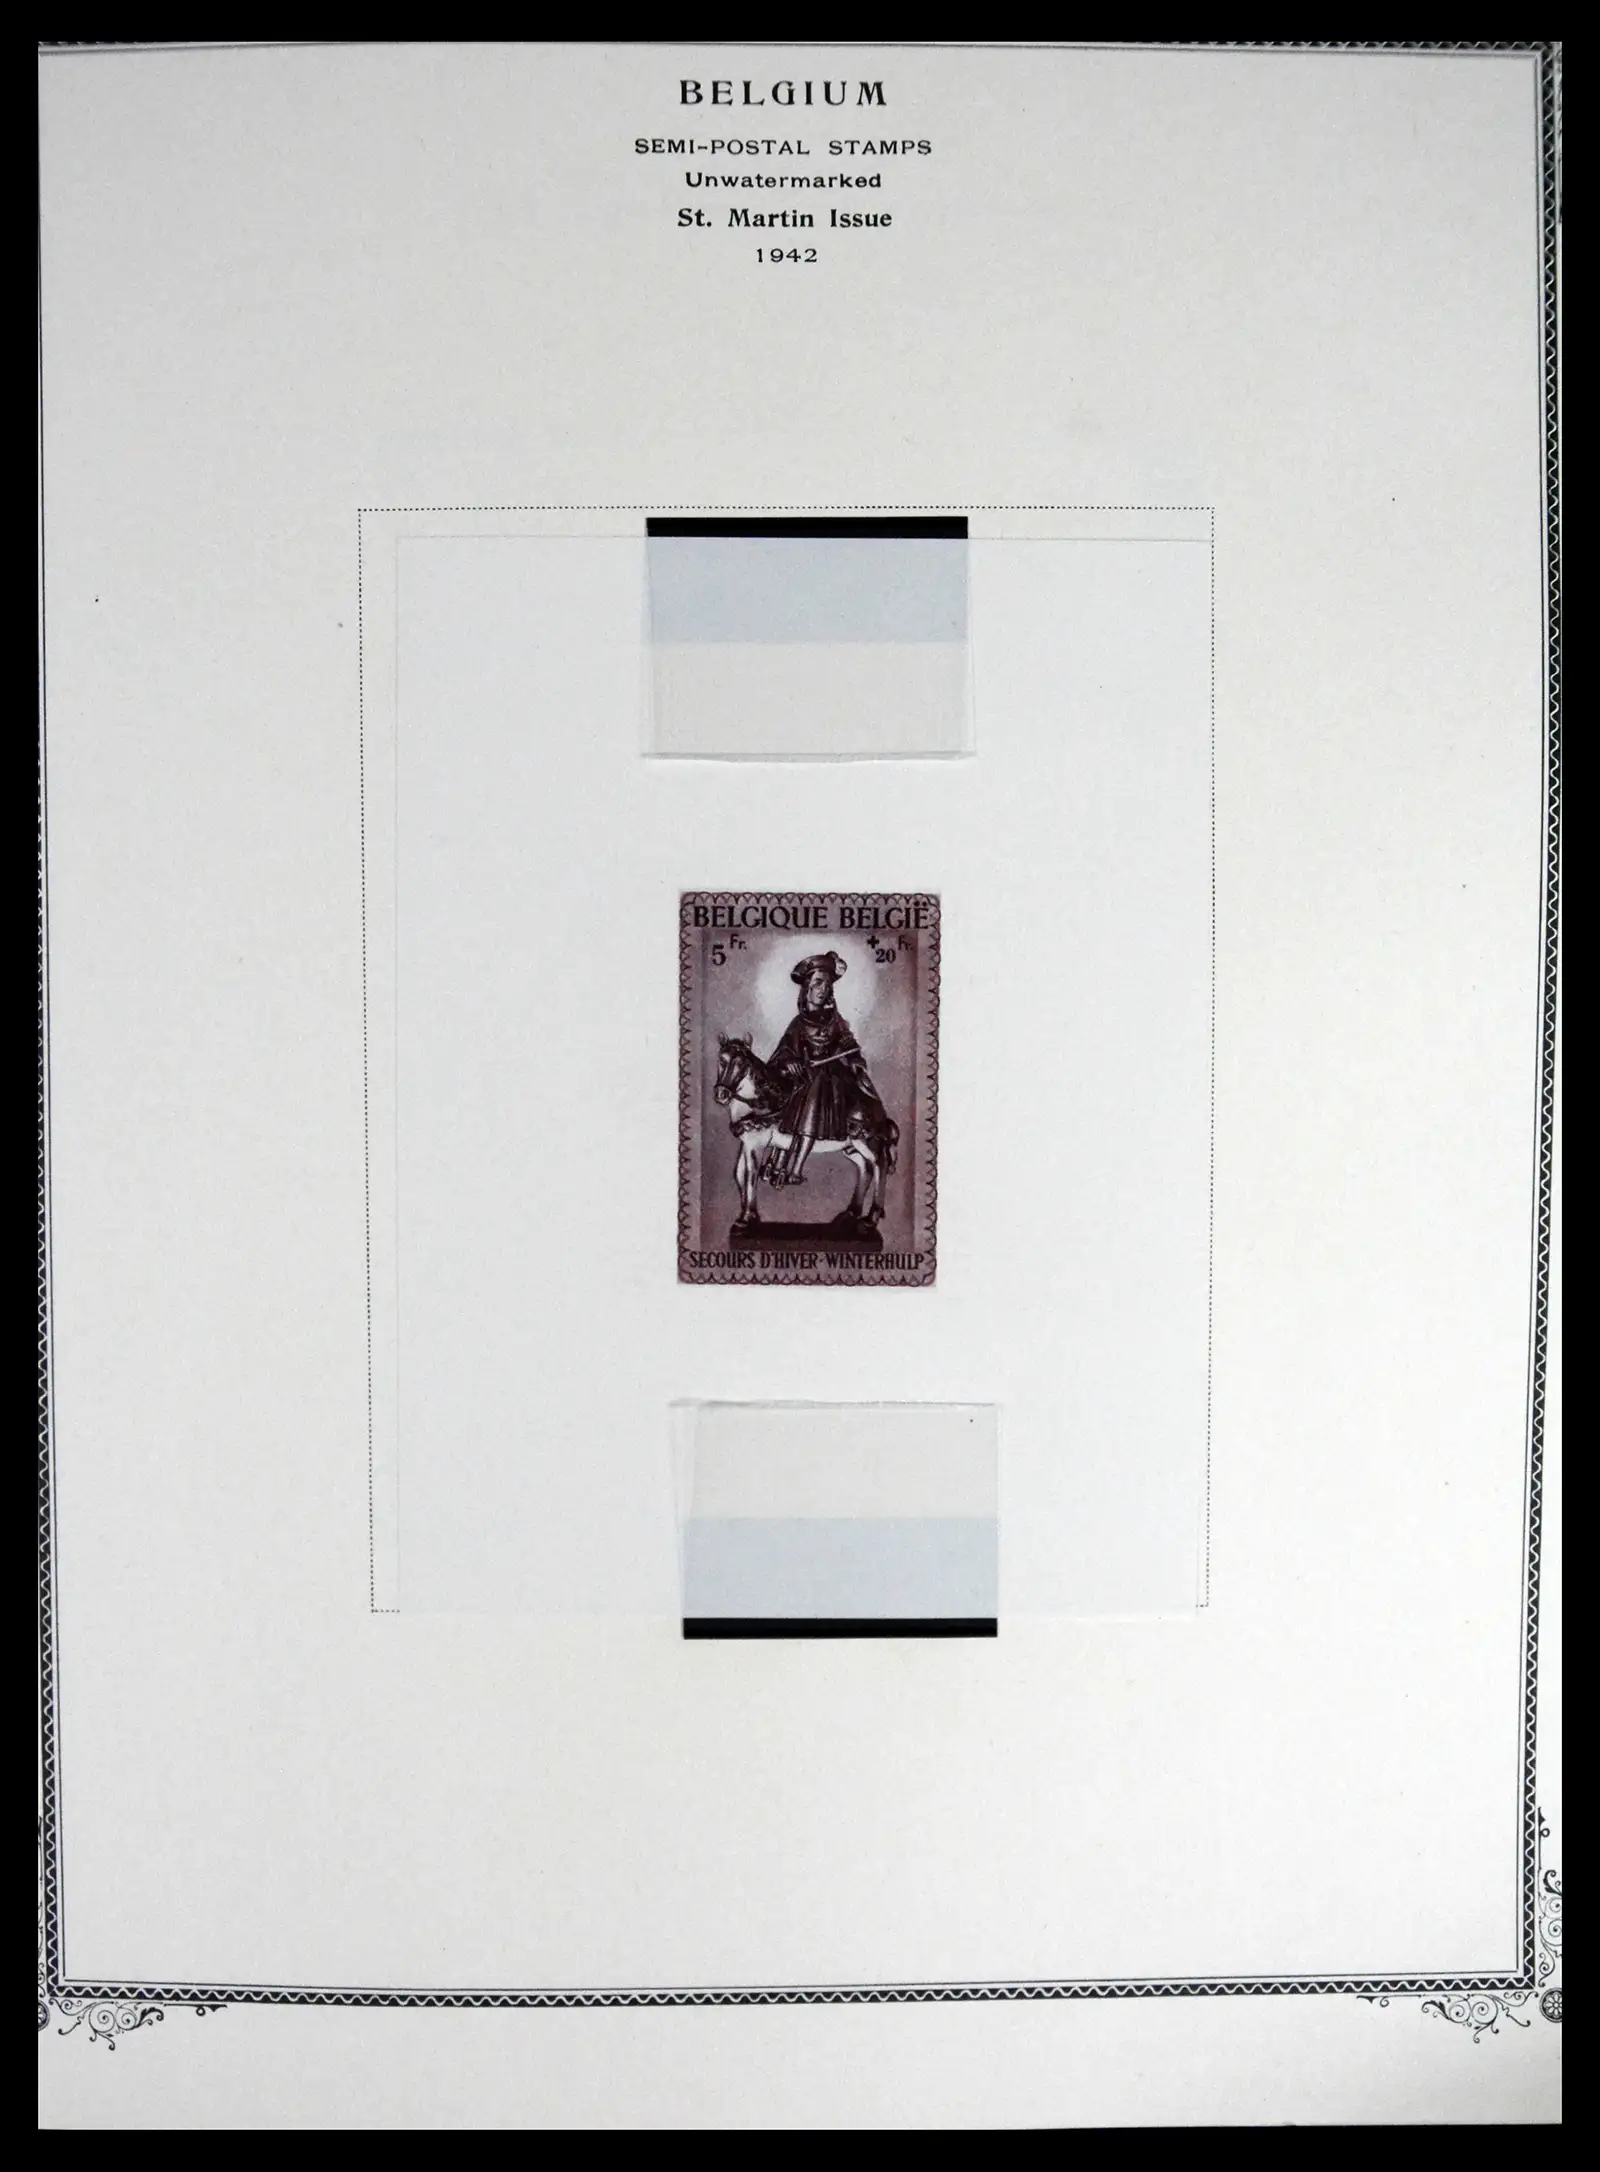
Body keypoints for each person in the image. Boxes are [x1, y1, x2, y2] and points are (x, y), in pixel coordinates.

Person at [761, 951, 888, 1186]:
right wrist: (790, 1062)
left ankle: (796, 1168)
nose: (823, 989)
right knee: (790, 1094)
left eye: (827, 985)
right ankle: (776, 1162)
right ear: (806, 987)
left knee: (817, 1085)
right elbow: (784, 1052)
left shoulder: (835, 1020)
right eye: (818, 983)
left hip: (832, 1081)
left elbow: (849, 1045)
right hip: (804, 1077)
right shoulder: (798, 1024)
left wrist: (856, 1062)